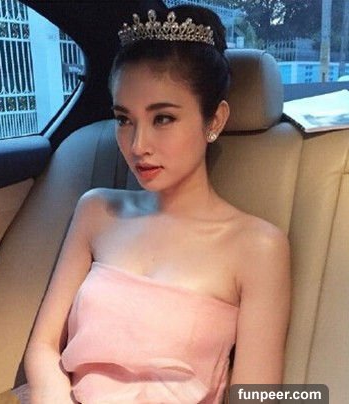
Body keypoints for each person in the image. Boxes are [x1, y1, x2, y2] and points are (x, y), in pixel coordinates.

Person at [24, 5, 291, 404]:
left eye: (163, 118)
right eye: (124, 119)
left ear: (215, 120)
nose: (138, 145)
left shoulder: (258, 247)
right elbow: (44, 347)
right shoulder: (96, 211)